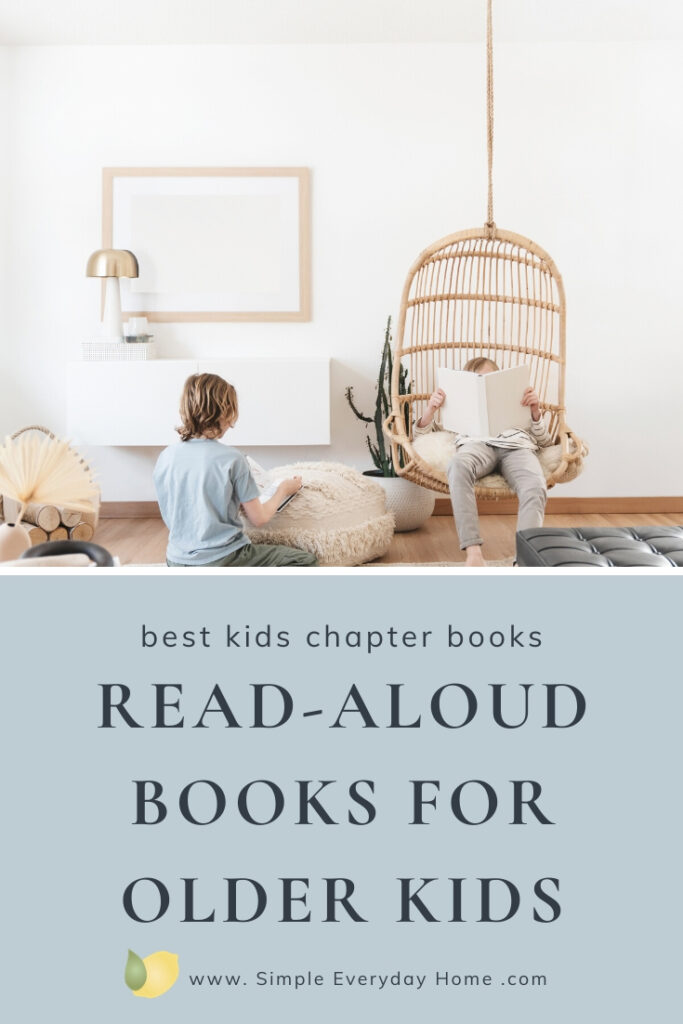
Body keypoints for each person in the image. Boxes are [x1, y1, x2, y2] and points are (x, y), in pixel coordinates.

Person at [154, 373, 317, 567]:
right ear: (223, 412)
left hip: (175, 560)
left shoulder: (165, 456)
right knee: (305, 561)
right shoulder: (233, 459)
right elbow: (260, 518)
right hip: (224, 558)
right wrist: (284, 488)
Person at [415, 358, 551, 567]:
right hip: (475, 444)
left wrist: (535, 412)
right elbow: (419, 437)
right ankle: (474, 554)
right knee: (457, 466)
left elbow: (546, 442)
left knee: (535, 485)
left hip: (516, 446)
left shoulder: (519, 405)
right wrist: (430, 410)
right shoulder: (457, 410)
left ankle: (525, 563)